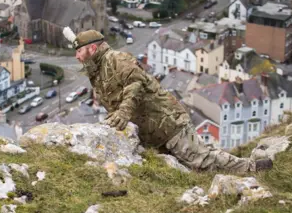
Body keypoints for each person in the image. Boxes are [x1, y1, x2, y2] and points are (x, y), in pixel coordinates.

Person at [62, 28, 273, 172]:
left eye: (79, 51)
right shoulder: (98, 73)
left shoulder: (116, 59)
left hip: (167, 122)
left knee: (201, 161)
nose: (77, 56)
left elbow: (135, 84)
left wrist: (123, 113)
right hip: (153, 131)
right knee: (193, 163)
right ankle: (244, 168)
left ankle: (252, 169)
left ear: (93, 48)